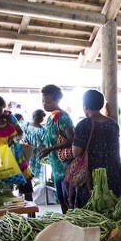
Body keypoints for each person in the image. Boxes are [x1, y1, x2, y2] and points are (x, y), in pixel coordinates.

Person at [69, 89, 121, 208]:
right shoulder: (113, 123)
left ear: (85, 106)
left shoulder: (83, 125)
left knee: (92, 211)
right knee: (112, 209)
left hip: (93, 175)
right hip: (113, 173)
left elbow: (76, 152)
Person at [0, 95, 34, 199]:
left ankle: (32, 213)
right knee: (3, 191)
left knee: (26, 187)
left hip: (16, 157)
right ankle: (3, 215)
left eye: (0, 110)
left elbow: (21, 134)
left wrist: (14, 139)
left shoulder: (10, 117)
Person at [38, 84, 74, 213]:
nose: (45, 104)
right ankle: (66, 220)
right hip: (56, 165)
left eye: (48, 102)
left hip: (66, 166)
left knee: (66, 197)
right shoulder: (50, 117)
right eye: (43, 101)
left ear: (58, 100)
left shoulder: (63, 117)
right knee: (60, 196)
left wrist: (50, 149)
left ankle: (70, 222)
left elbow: (71, 139)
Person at [23, 109, 47, 183]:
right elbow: (44, 143)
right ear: (42, 119)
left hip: (27, 152)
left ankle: (30, 185)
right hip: (38, 153)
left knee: (28, 170)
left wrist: (27, 144)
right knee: (37, 173)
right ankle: (37, 187)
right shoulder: (43, 130)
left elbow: (23, 138)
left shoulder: (26, 125)